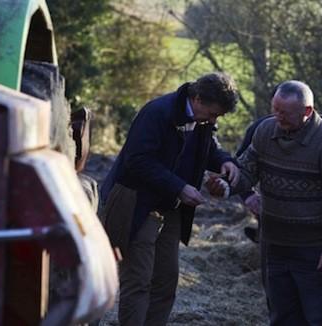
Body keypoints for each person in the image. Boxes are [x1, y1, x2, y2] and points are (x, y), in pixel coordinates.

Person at [208, 80, 322, 325]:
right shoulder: (265, 131)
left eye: (285, 113)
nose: (278, 117)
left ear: (307, 112)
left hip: (313, 249)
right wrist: (225, 186)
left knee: (318, 317)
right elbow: (246, 172)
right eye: (275, 109)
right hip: (274, 244)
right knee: (281, 316)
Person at [100, 72, 240, 326]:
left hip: (171, 208)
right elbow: (137, 161)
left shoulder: (203, 121)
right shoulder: (157, 113)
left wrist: (225, 162)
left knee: (165, 281)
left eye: (217, 117)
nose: (213, 120)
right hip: (138, 205)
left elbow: (209, 149)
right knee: (139, 280)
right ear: (197, 98)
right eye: (212, 114)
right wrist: (179, 188)